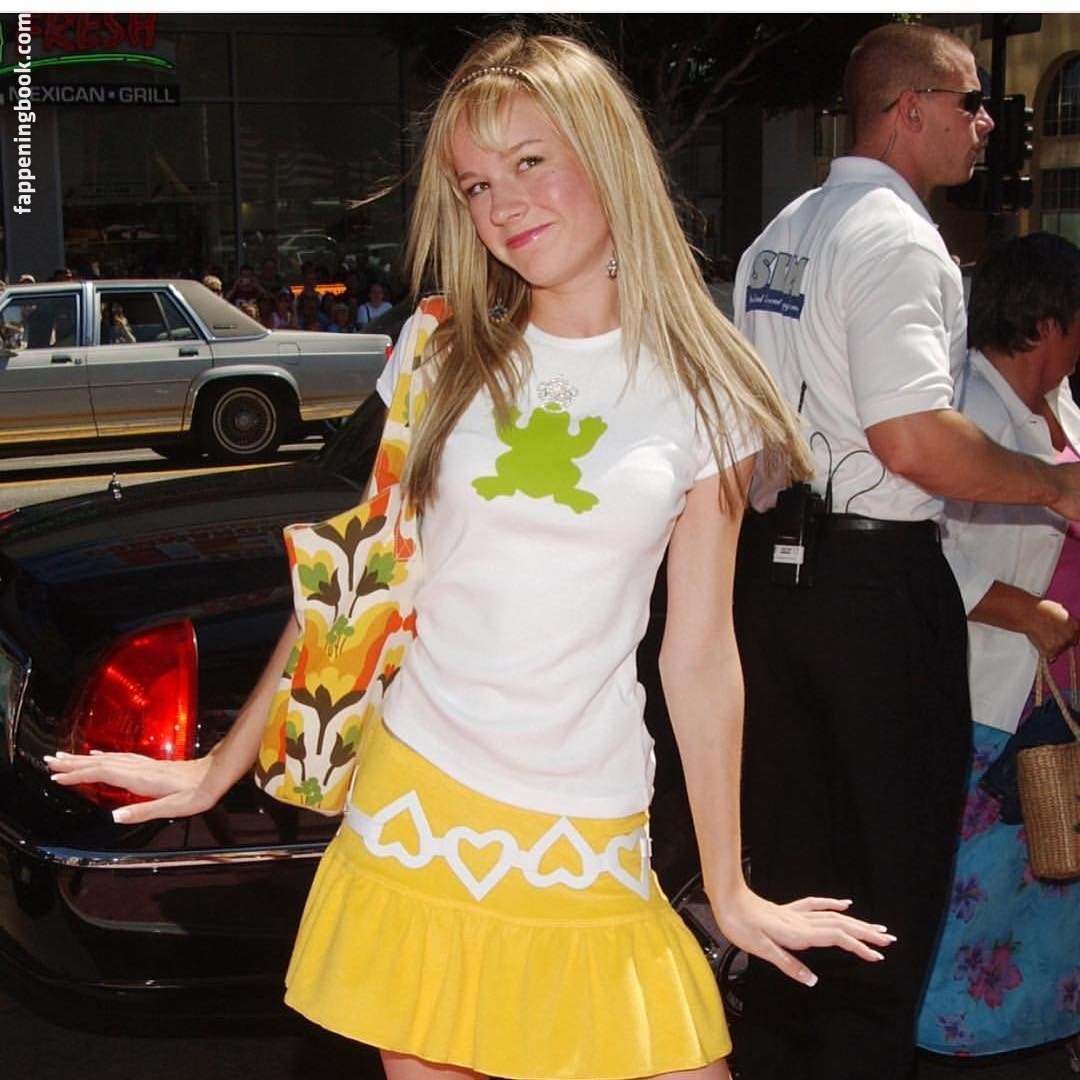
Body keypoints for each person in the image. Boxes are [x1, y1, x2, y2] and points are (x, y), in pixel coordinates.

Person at [46, 31, 893, 1080]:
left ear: (606, 154)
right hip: (417, 806)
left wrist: (728, 886)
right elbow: (357, 582)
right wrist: (218, 768)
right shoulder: (438, 354)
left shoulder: (706, 387)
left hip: (589, 819)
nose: (503, 206)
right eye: (477, 184)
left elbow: (701, 652)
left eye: (530, 162)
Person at [731, 23, 1080, 1080]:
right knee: (887, 894)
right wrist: (1056, 487)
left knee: (797, 878)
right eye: (973, 102)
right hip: (874, 581)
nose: (988, 125)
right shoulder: (896, 238)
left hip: (776, 572)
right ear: (909, 107)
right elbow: (914, 439)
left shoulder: (781, 232)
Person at [915, 233, 1080, 1063]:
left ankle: (1032, 1044)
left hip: (1053, 704)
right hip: (994, 698)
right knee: (973, 900)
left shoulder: (1061, 405)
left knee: (1048, 889)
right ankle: (955, 1049)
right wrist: (1030, 613)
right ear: (1048, 322)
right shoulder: (966, 408)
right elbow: (926, 552)